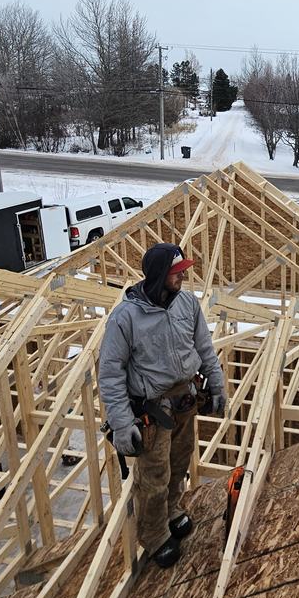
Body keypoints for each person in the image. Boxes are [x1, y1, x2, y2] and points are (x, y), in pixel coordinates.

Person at [98, 242, 227, 568]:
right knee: (153, 476)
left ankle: (172, 511)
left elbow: (204, 347)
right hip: (152, 410)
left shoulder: (187, 304)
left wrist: (217, 383)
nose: (182, 277)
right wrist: (123, 423)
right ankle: (154, 535)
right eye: (176, 273)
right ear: (159, 276)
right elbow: (110, 374)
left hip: (184, 399)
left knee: (179, 463)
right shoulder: (126, 318)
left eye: (183, 272)